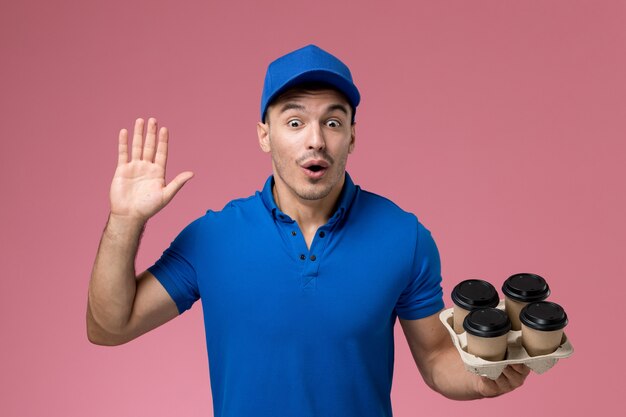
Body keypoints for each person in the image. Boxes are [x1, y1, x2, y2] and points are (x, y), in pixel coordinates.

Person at [87, 44, 529, 416]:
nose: (315, 139)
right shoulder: (212, 239)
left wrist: (480, 379)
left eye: (332, 122)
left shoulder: (405, 238)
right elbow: (110, 326)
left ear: (352, 137)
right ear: (265, 134)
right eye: (295, 122)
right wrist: (126, 222)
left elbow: (435, 358)